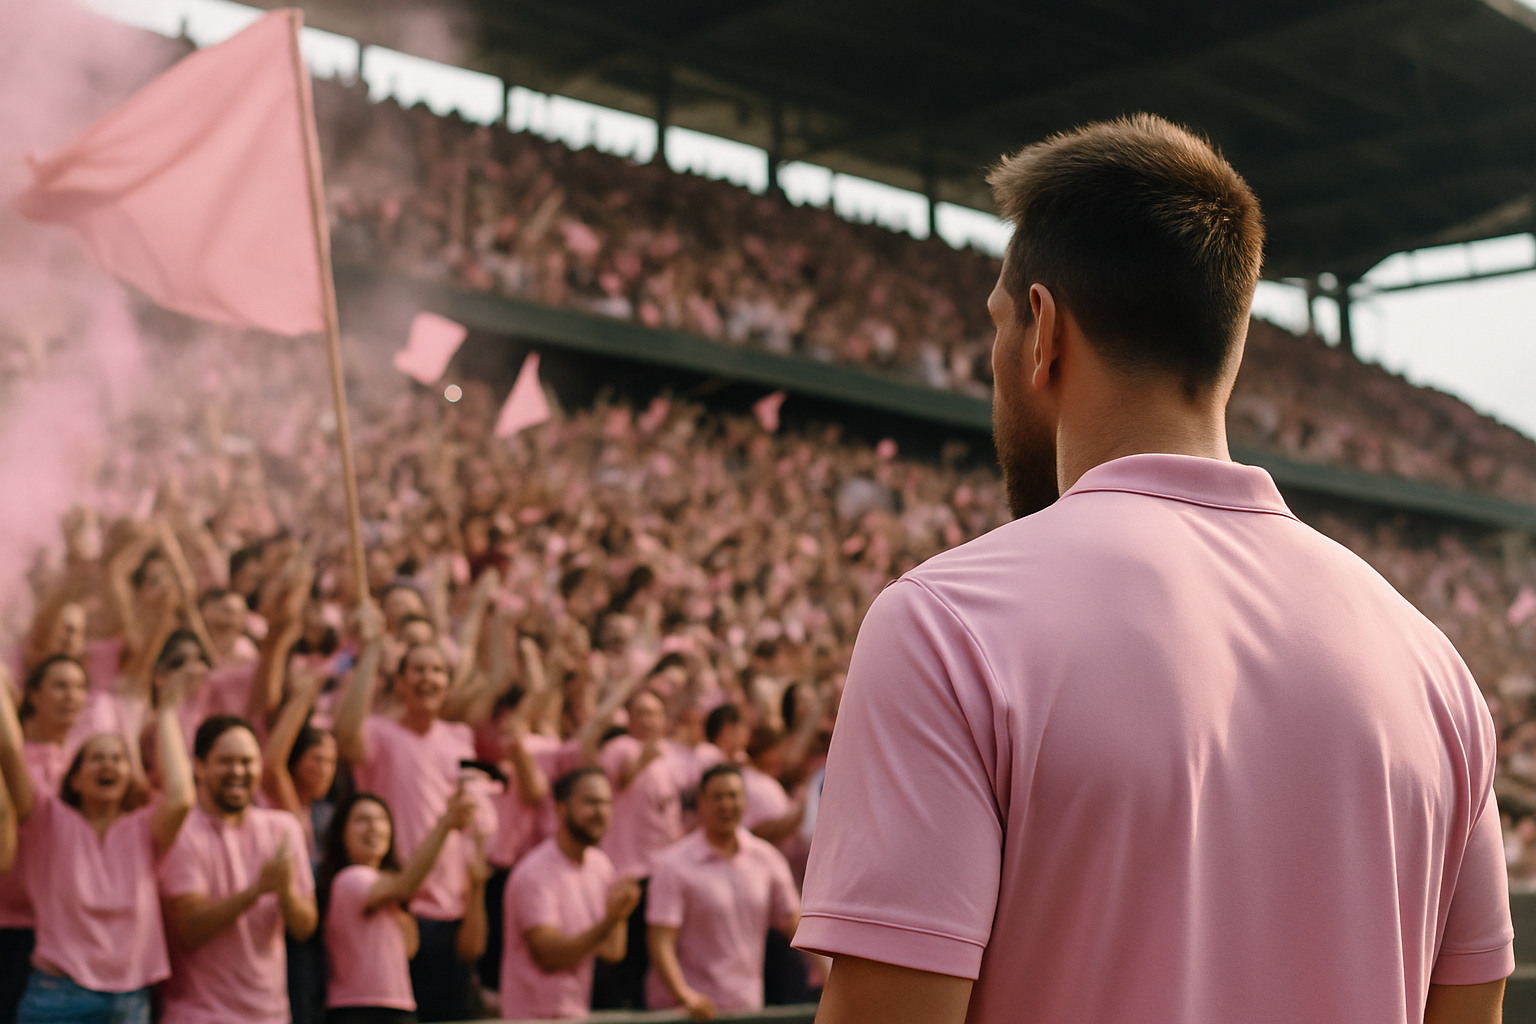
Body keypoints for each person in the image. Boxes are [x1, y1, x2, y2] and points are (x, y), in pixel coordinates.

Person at [795, 114, 1515, 1024]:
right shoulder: (1436, 669)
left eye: (998, 328)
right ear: (1231, 346)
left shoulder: (944, 624)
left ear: (1043, 331)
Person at [0, 637, 196, 1024]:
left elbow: (182, 797)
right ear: (74, 779)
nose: (107, 765)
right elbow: (8, 750)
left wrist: (168, 710)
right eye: (96, 758)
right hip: (58, 996)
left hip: (129, 1001)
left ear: (130, 775)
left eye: (117, 759)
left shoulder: (143, 829)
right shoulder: (47, 819)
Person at [334, 607, 496, 1022]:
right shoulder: (381, 733)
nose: (428, 679)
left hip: (453, 908)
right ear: (401, 682)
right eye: (418, 670)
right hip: (399, 903)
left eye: (437, 671)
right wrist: (370, 655)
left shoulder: (459, 739)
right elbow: (346, 736)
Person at [159, 715, 317, 1024]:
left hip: (271, 1013)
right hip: (199, 1014)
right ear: (199, 766)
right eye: (226, 761)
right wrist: (256, 891)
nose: (238, 771)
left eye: (248, 762)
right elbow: (190, 930)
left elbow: (305, 926)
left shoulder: (283, 827)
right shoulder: (182, 832)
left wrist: (285, 892)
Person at [646, 764, 799, 1020]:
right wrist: (684, 995)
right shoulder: (673, 865)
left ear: (745, 801)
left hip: (747, 1007)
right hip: (689, 1013)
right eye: (717, 797)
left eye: (733, 795)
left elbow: (794, 924)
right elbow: (661, 941)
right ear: (701, 803)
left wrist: (830, 980)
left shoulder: (767, 858)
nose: (726, 804)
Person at [318, 787, 482, 1024]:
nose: (374, 827)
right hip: (358, 1010)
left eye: (381, 819)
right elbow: (406, 886)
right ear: (341, 834)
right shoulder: (349, 879)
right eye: (362, 820)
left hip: (398, 1007)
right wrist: (445, 824)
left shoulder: (388, 890)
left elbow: (410, 948)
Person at [500, 767, 640, 1020]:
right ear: (561, 808)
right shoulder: (535, 873)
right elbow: (550, 956)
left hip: (575, 1013)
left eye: (607, 803)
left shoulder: (601, 866)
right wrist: (609, 920)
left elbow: (613, 951)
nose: (601, 812)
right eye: (591, 802)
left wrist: (621, 914)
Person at [593, 688, 701, 1009]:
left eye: (654, 712)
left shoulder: (675, 757)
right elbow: (623, 775)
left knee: (657, 959)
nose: (648, 719)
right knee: (622, 966)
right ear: (628, 719)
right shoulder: (619, 747)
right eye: (640, 712)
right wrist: (644, 758)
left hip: (665, 873)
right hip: (628, 875)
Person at [0, 656, 89, 1022]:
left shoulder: (90, 765)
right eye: (60, 686)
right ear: (32, 695)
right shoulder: (15, 761)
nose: (71, 696)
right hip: (13, 927)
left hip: (73, 931)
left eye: (79, 687)